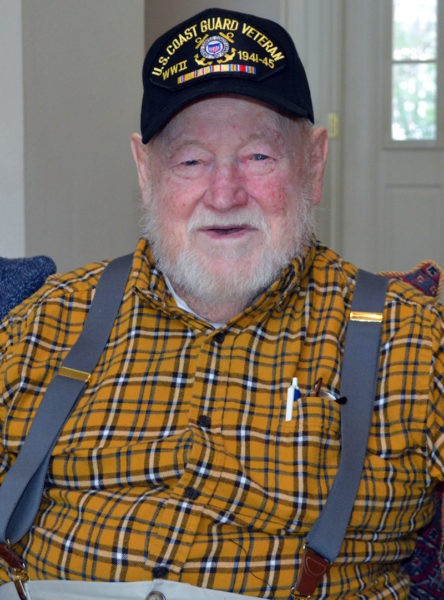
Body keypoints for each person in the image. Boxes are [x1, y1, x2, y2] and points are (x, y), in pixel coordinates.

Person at [0, 7, 443, 600]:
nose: (225, 192)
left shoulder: (411, 339)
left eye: (259, 157)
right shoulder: (44, 323)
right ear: (144, 170)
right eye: (190, 161)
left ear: (314, 163)